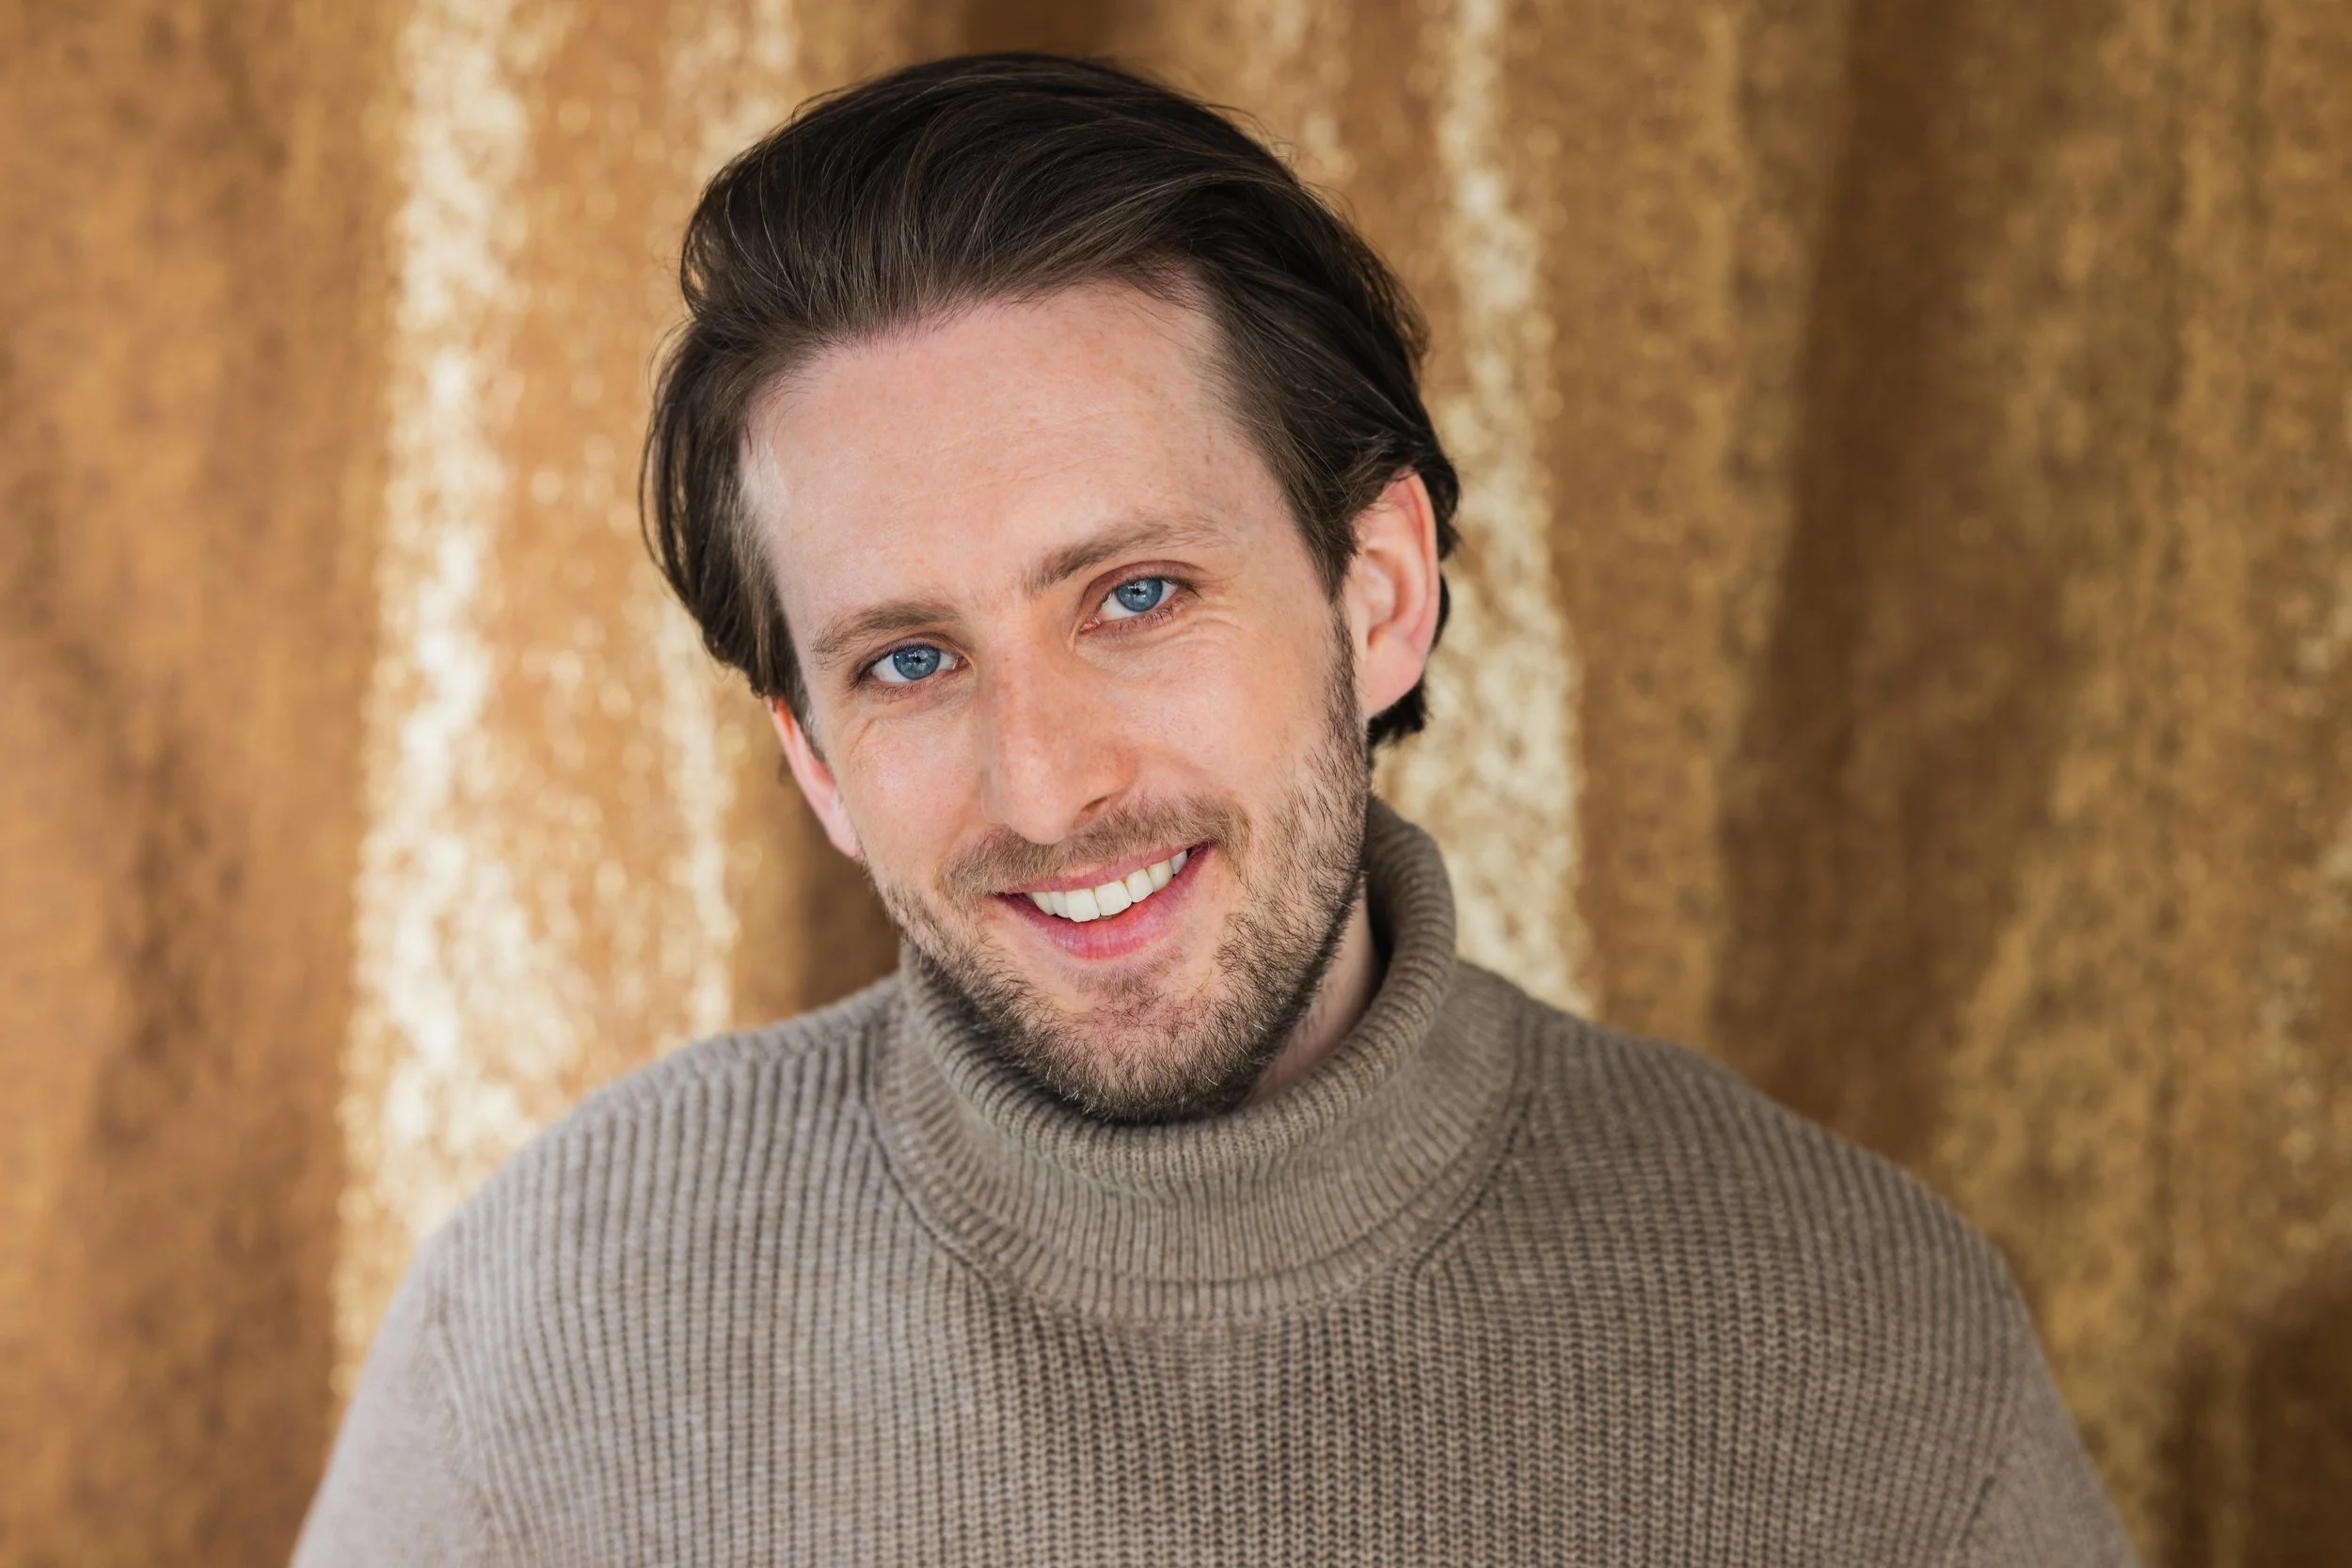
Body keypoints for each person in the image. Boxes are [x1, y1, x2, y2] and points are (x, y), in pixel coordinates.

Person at [295, 53, 2138, 1566]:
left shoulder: (1864, 1340)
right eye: (909, 663)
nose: (1047, 785)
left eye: (1133, 595)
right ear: (808, 761)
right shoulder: (543, 1334)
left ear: (1378, 589)